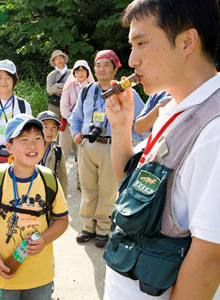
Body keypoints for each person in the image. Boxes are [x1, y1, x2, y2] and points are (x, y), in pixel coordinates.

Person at [103, 0, 220, 299]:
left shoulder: (214, 128)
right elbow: (131, 190)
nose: (132, 61)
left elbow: (209, 260)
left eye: (141, 43)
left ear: (186, 42)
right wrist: (121, 126)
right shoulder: (172, 110)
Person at [0, 114, 68, 300]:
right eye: (23, 140)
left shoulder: (49, 179)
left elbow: (62, 220)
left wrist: (44, 239)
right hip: (2, 274)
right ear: (9, 147)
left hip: (40, 276)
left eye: (37, 139)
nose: (32, 145)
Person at [70, 49, 145, 248]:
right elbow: (76, 116)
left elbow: (143, 122)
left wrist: (131, 140)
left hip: (112, 146)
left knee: (108, 191)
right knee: (87, 188)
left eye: (106, 65)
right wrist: (76, 133)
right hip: (87, 145)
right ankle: (88, 226)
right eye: (98, 65)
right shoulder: (87, 91)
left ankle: (103, 228)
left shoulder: (127, 91)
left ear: (114, 69)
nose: (101, 69)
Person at [61, 60, 96, 190]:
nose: (80, 73)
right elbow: (64, 107)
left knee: (82, 156)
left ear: (87, 72)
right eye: (77, 70)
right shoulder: (69, 86)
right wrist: (73, 121)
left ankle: (81, 183)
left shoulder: (94, 88)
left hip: (86, 128)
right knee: (63, 153)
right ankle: (58, 181)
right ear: (74, 73)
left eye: (83, 70)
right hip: (68, 125)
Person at [36, 111, 68, 194]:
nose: (50, 132)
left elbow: (63, 177)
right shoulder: (30, 148)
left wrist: (62, 201)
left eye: (54, 128)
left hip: (50, 192)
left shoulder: (58, 151)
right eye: (45, 127)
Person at [46, 50, 71, 118]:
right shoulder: (51, 75)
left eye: (61, 57)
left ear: (64, 59)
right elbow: (49, 90)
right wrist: (66, 87)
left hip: (70, 103)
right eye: (56, 58)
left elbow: (73, 88)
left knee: (68, 126)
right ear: (54, 62)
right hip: (55, 103)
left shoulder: (72, 73)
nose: (59, 60)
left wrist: (57, 85)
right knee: (52, 122)